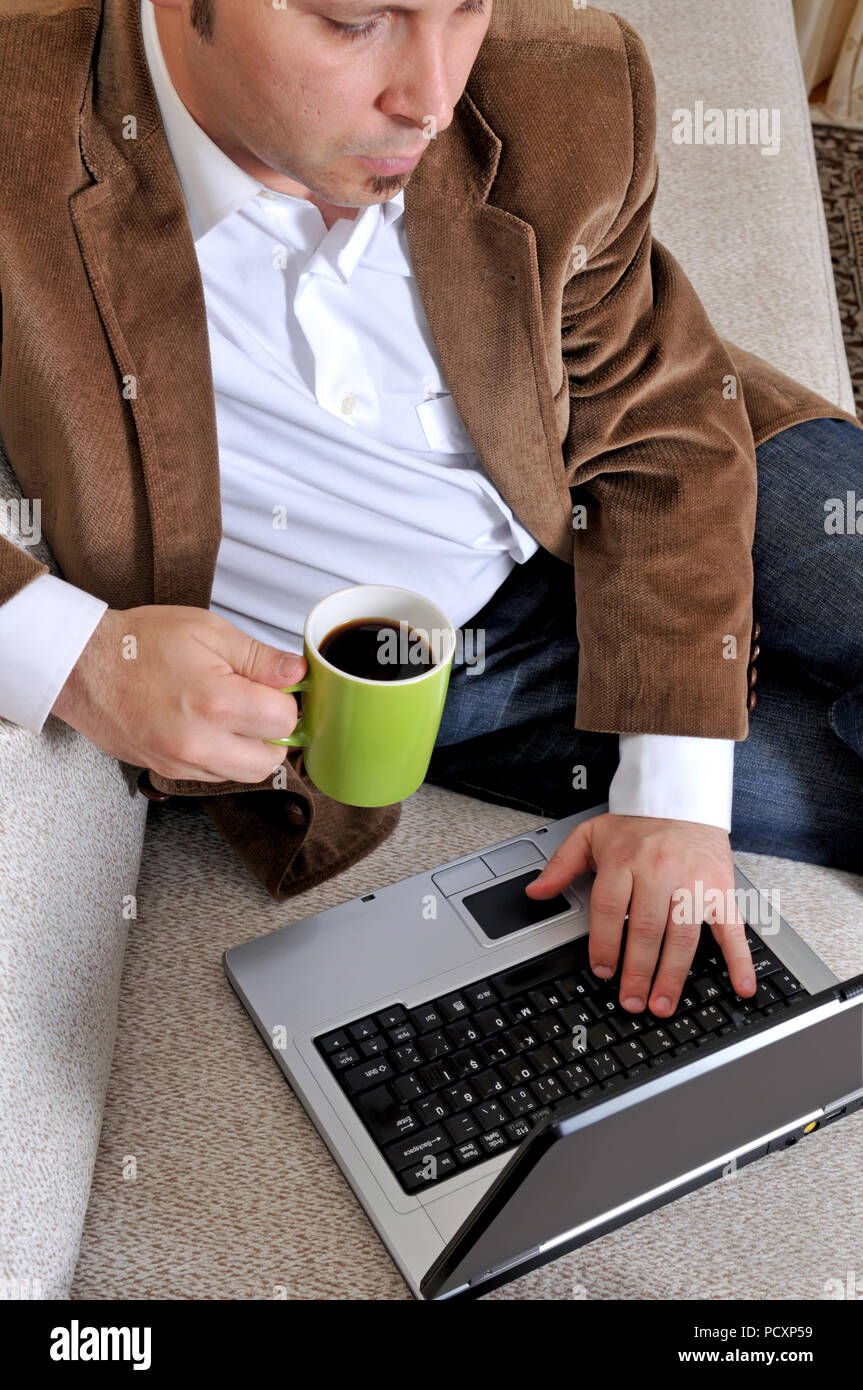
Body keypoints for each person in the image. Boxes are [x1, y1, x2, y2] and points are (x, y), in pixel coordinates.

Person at [1, 0, 860, 1023]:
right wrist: (82, 657)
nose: (432, 98)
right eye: (353, 22)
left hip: (647, 465)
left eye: (462, 7)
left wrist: (672, 790)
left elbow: (657, 422)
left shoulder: (560, 85)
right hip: (415, 670)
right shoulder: (23, 114)